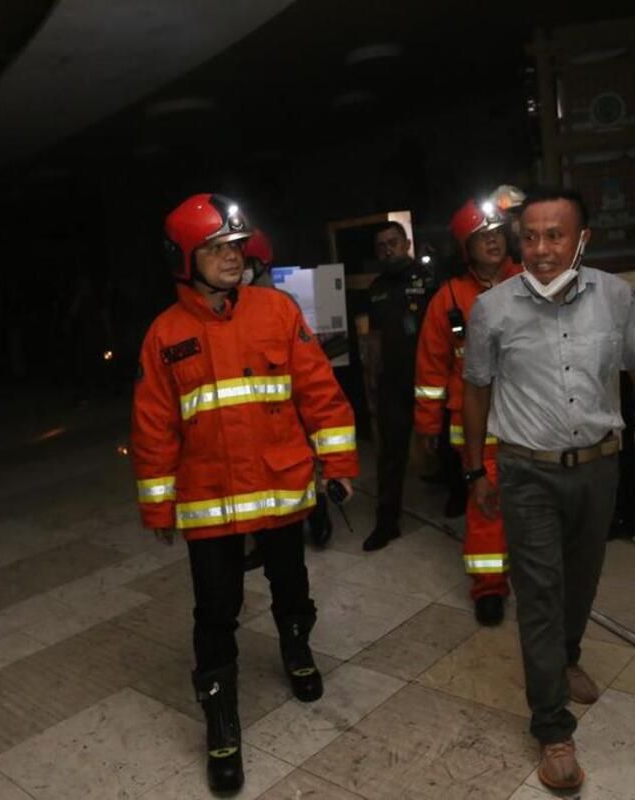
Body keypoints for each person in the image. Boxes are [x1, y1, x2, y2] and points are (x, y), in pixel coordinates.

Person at [461, 187, 635, 791]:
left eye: (555, 235)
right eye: (531, 236)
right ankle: (552, 728)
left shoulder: (617, 299)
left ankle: (567, 656)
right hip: (526, 470)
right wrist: (473, 471)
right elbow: (477, 390)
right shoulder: (492, 309)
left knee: (583, 577)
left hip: (599, 466)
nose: (540, 249)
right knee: (539, 590)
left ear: (581, 239)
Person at [131, 194, 358, 794]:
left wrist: (336, 460)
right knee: (214, 610)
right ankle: (221, 720)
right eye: (214, 248)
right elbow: (153, 427)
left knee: (292, 585)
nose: (231, 258)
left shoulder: (276, 312)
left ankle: (297, 649)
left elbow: (320, 391)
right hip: (208, 500)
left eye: (234, 246)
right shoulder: (165, 334)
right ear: (184, 258)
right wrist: (159, 505)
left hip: (280, 486)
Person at [414, 200, 522, 625]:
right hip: (478, 431)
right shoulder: (450, 299)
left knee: (536, 507)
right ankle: (489, 589)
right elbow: (430, 366)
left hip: (533, 424)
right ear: (466, 247)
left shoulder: (531, 282)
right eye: (482, 235)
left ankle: (537, 579)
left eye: (497, 231)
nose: (492, 239)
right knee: (486, 509)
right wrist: (427, 422)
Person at [239, 230, 334, 574]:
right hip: (253, 411)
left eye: (246, 262)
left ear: (260, 263)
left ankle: (318, 513)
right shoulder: (231, 307)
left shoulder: (283, 304)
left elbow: (307, 360)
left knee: (302, 468)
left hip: (287, 404)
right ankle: (263, 543)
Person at [355, 220, 436, 551]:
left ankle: (460, 499)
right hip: (393, 382)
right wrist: (372, 377)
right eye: (381, 246)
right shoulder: (376, 288)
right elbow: (373, 337)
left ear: (406, 244)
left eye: (393, 242)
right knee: (390, 455)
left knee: (451, 442)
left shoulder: (430, 279)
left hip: (432, 378)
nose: (388, 249)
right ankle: (386, 523)